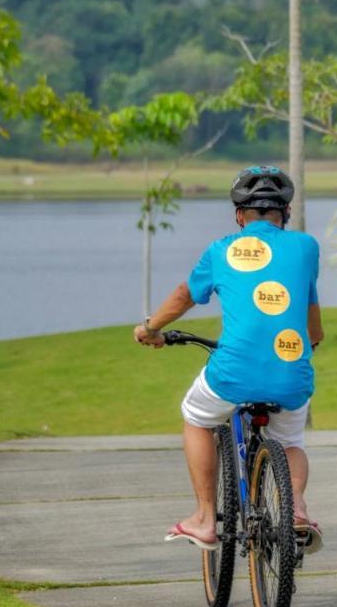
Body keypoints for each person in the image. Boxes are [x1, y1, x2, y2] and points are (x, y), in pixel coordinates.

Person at [134, 165, 325, 552]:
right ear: (284, 214)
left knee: (196, 416)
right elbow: (313, 323)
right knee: (290, 438)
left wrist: (150, 328)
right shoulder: (307, 248)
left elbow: (184, 295)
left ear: (240, 216)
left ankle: (205, 519)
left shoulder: (221, 250)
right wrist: (310, 343)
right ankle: (298, 509)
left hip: (233, 372)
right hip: (291, 369)